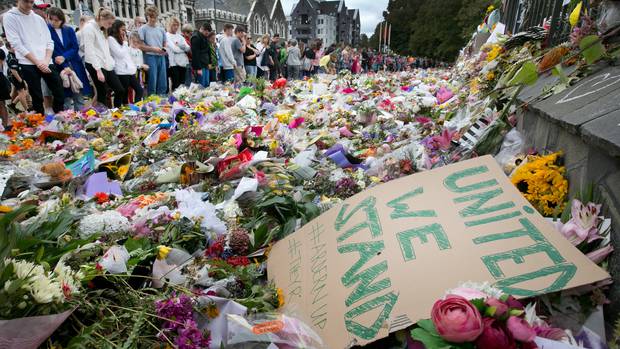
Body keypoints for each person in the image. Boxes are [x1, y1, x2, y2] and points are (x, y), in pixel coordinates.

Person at [3, 0, 65, 114]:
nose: (29, 5)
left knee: (59, 92)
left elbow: (49, 41)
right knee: (37, 97)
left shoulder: (38, 19)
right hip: (27, 62)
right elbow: (16, 43)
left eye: (31, 2)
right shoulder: (9, 17)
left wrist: (45, 61)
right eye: (26, 1)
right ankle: (40, 125)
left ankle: (59, 118)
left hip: (46, 61)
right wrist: (37, 62)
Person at [47, 7, 91, 111]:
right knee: (64, 95)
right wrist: (62, 62)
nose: (53, 22)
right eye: (51, 19)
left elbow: (75, 47)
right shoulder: (47, 30)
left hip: (74, 63)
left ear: (62, 20)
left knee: (78, 92)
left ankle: (80, 117)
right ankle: (67, 119)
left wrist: (64, 57)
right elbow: (49, 48)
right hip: (58, 66)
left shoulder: (69, 30)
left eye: (56, 20)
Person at [82, 8, 124, 108]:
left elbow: (104, 49)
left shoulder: (102, 28)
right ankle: (102, 116)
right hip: (94, 64)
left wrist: (111, 63)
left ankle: (117, 111)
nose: (110, 26)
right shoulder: (89, 28)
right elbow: (89, 50)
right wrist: (98, 70)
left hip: (106, 64)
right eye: (109, 23)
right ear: (102, 19)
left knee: (119, 89)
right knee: (102, 92)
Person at [108, 20, 143, 106]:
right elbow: (120, 54)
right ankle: (119, 111)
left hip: (129, 70)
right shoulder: (111, 39)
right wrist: (125, 42)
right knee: (123, 93)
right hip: (121, 70)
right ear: (116, 29)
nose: (124, 32)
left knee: (139, 90)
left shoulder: (122, 41)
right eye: (122, 30)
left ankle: (136, 108)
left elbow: (127, 55)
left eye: (125, 30)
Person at [138, 6, 167, 96]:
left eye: (154, 17)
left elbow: (165, 43)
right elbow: (140, 46)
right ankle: (152, 102)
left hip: (161, 57)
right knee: (152, 82)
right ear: (147, 16)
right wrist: (154, 49)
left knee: (163, 82)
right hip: (150, 56)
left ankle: (162, 100)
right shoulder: (143, 29)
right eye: (151, 17)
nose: (153, 19)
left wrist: (164, 49)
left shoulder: (161, 29)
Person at [165, 17, 190, 92]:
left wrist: (179, 47)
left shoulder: (180, 36)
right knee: (176, 85)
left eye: (177, 25)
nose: (176, 27)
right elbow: (174, 49)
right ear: (169, 25)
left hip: (182, 63)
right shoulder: (167, 35)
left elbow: (188, 48)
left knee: (182, 85)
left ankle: (181, 102)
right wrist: (182, 48)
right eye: (174, 25)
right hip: (173, 64)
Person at [190, 22, 211, 87]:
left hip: (205, 63)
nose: (207, 32)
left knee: (207, 83)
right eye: (205, 30)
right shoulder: (196, 37)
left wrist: (210, 62)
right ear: (201, 29)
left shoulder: (205, 37)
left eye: (208, 31)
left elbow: (208, 50)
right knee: (201, 85)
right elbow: (195, 54)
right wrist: (198, 68)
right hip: (200, 65)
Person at [129, 32, 148, 103]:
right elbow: (131, 62)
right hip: (132, 73)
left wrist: (143, 66)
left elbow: (141, 61)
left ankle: (138, 103)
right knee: (133, 90)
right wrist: (141, 65)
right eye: (133, 41)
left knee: (140, 88)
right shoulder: (129, 50)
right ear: (129, 40)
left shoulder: (139, 51)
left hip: (139, 72)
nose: (135, 43)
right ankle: (132, 103)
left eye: (137, 42)